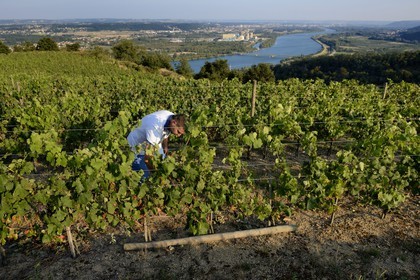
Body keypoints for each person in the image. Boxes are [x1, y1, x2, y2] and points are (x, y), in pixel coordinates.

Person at [127, 110, 186, 179]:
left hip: (153, 142)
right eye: (178, 132)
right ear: (174, 122)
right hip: (136, 146)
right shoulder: (154, 127)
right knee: (143, 176)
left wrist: (165, 147)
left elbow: (166, 133)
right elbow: (148, 157)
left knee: (162, 162)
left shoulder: (172, 117)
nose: (178, 135)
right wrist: (155, 173)